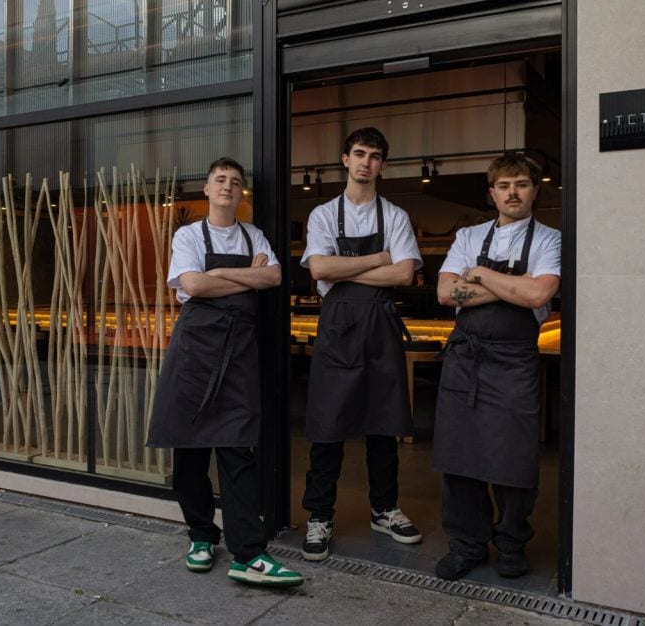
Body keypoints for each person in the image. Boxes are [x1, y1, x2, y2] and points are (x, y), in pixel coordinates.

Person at [147, 157, 303, 588]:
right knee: (190, 453)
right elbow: (192, 286)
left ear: (241, 194)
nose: (228, 187)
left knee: (238, 451)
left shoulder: (255, 234)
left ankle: (248, 552)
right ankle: (200, 534)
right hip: (195, 352)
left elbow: (273, 276)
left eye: (235, 182)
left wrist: (219, 272)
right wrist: (244, 276)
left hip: (238, 354)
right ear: (207, 188)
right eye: (220, 180)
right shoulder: (187, 234)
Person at [432, 153, 561, 581]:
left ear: (534, 190)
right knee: (460, 456)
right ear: (492, 193)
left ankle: (510, 543)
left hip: (514, 361)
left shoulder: (549, 239)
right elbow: (446, 294)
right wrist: (512, 286)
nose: (513, 192)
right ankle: (467, 543)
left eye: (521, 184)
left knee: (514, 457)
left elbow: (538, 296)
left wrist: (482, 274)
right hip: (465, 358)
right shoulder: (468, 234)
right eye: (504, 186)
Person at [299, 127, 424, 561]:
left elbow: (405, 274)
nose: (366, 162)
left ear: (382, 165)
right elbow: (318, 267)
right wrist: (377, 259)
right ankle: (319, 515)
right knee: (327, 427)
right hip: (338, 331)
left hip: (380, 329)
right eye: (359, 154)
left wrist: (342, 269)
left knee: (383, 426)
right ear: (344, 160)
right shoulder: (321, 215)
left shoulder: (396, 216)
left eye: (374, 156)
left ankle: (384, 509)